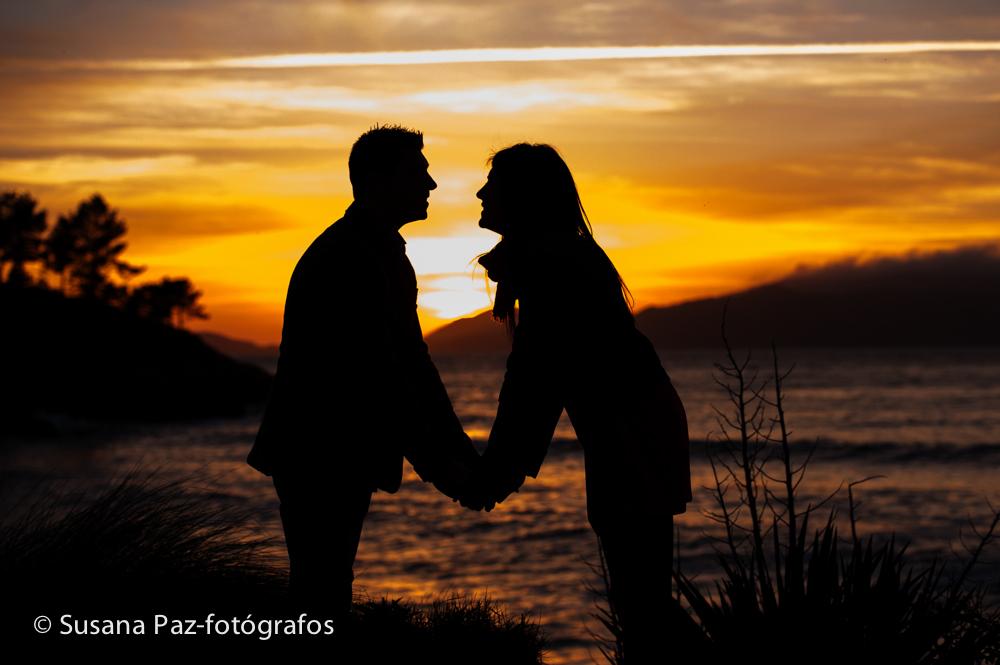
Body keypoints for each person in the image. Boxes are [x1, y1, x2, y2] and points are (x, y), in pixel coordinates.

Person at [462, 143, 701, 659]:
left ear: (523, 197)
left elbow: (535, 376)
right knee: (641, 600)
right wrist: (502, 467)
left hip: (633, 433)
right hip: (632, 428)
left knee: (642, 604)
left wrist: (497, 471)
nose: (481, 193)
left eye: (493, 184)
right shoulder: (551, 255)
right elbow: (537, 376)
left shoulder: (551, 264)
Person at [246, 124, 480, 619]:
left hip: (335, 449)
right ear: (378, 179)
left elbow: (413, 363)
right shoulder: (349, 256)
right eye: (418, 172)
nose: (431, 184)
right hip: (316, 448)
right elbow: (382, 377)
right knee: (320, 590)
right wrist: (444, 468)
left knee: (326, 584)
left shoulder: (381, 252)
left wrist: (460, 452)